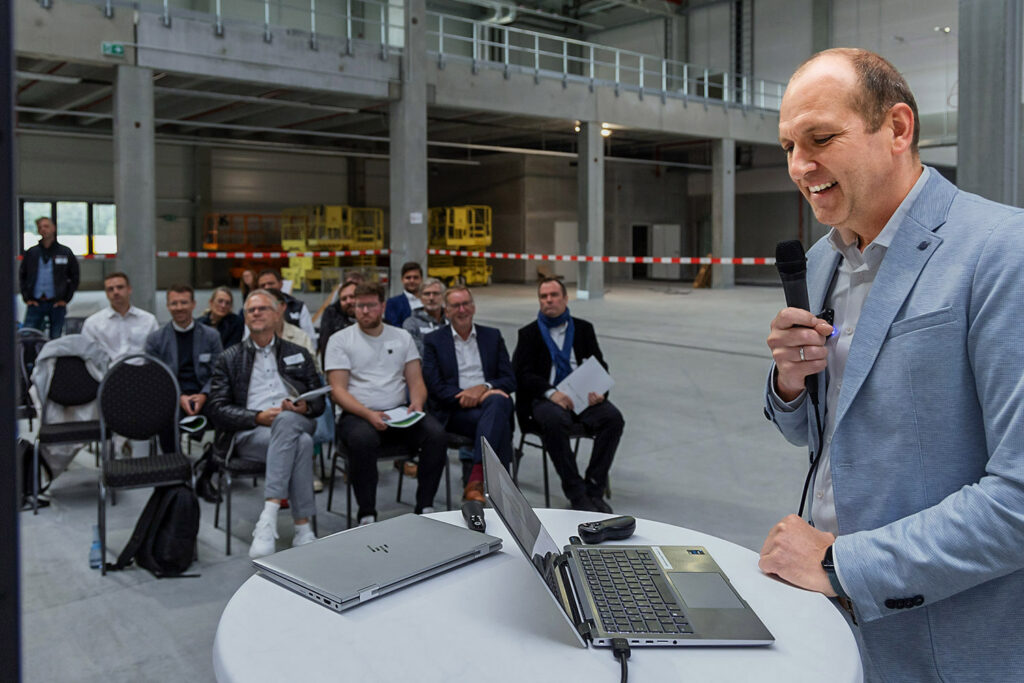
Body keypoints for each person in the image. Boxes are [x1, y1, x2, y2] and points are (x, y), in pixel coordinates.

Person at [758, 48, 1024, 682]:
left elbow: (1017, 500)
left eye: (821, 138)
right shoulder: (822, 261)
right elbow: (822, 434)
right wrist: (790, 384)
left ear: (898, 129)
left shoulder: (999, 252)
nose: (801, 166)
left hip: (945, 640)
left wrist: (841, 564)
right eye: (789, 146)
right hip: (830, 620)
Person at [206, 289, 325, 558]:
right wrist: (256, 417)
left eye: (262, 309)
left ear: (277, 313)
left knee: (287, 421)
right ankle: (302, 529)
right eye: (251, 310)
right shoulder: (230, 358)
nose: (256, 313)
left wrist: (304, 406)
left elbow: (319, 403)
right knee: (302, 445)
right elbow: (217, 409)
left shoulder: (299, 353)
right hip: (251, 433)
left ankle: (269, 515)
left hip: (296, 420)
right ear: (245, 318)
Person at [325, 281, 446, 524]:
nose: (364, 311)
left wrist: (418, 405)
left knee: (437, 434)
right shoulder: (340, 340)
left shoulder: (401, 336)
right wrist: (369, 414)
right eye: (359, 306)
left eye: (370, 305)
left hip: (399, 413)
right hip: (358, 415)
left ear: (382, 307)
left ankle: (425, 505)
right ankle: (367, 512)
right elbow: (337, 390)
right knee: (362, 439)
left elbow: (416, 381)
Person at [512, 277, 624, 513]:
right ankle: (576, 491)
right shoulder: (529, 334)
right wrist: (551, 393)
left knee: (613, 418)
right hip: (545, 399)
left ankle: (594, 487)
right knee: (555, 420)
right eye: (543, 297)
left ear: (565, 298)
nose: (548, 300)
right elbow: (521, 374)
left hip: (583, 397)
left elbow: (600, 365)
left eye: (553, 295)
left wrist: (599, 391)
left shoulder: (583, 329)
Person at [422, 285, 515, 503]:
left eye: (466, 304)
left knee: (498, 404)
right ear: (447, 311)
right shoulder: (434, 341)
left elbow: (509, 379)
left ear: (473, 307)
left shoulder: (491, 336)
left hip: (488, 405)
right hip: (455, 412)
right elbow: (435, 387)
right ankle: (500, 487)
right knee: (500, 414)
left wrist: (483, 388)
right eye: (455, 306)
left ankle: (476, 478)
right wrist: (469, 395)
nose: (462, 310)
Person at [145, 284, 223, 453]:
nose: (179, 308)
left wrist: (204, 395)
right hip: (172, 396)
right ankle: (175, 468)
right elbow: (155, 378)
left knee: (229, 414)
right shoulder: (155, 340)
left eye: (184, 302)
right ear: (167, 306)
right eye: (174, 303)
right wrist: (180, 397)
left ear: (193, 304)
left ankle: (211, 466)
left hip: (205, 395)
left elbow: (218, 373)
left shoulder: (211, 336)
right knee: (164, 417)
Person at [19, 216, 80, 339]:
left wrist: (66, 299)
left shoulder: (65, 252)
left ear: (54, 228)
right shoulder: (32, 252)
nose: (43, 229)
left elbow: (74, 276)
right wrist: (27, 298)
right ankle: (30, 358)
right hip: (35, 302)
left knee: (56, 338)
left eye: (46, 226)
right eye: (40, 227)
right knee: (28, 336)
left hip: (57, 303)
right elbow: (22, 275)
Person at [81, 272, 159, 362]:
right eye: (110, 289)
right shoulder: (93, 323)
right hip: (107, 374)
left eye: (120, 287)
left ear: (129, 289)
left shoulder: (148, 320)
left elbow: (157, 353)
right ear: (106, 294)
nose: (116, 292)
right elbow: (88, 356)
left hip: (142, 372)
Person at [256, 268, 316, 342]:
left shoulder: (297, 306)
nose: (267, 287)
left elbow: (310, 338)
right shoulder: (253, 309)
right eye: (263, 285)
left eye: (271, 283)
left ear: (281, 284)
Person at [402, 277, 448, 354]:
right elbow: (416, 352)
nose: (431, 298)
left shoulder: (452, 321)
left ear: (443, 296)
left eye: (436, 293)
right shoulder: (411, 324)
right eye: (427, 294)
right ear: (420, 297)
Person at [316, 280, 358, 365]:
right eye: (344, 299)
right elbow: (325, 347)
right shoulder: (332, 316)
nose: (348, 301)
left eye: (352, 296)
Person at [383, 261, 423, 327]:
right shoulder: (392, 303)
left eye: (415, 277)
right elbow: (393, 328)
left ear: (421, 279)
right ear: (402, 279)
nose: (412, 280)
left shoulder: (428, 301)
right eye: (408, 278)